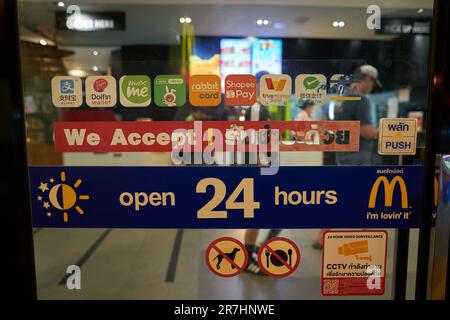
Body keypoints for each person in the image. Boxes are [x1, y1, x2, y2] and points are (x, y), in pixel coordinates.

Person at [334, 64, 380, 166]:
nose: (372, 87)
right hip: (358, 162)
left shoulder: (341, 99)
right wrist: (385, 130)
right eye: (373, 83)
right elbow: (366, 132)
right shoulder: (361, 99)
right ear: (368, 79)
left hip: (342, 159)